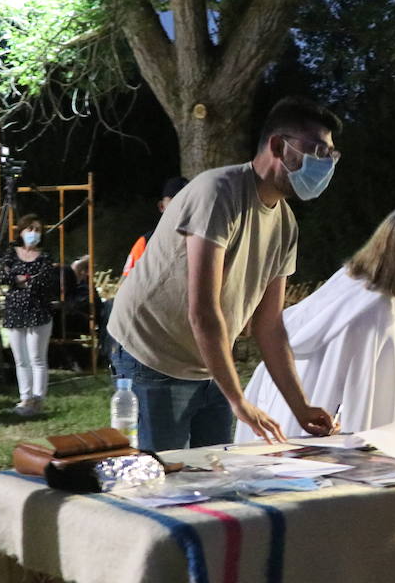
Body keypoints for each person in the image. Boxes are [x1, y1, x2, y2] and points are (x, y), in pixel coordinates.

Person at [108, 95, 341, 452]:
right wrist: (238, 400)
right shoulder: (217, 192)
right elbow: (202, 309)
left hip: (210, 362)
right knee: (161, 481)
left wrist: (301, 406)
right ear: (278, 146)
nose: (324, 164)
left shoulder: (285, 224)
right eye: (318, 152)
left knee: (214, 478)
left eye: (330, 156)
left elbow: (270, 325)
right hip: (152, 353)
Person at [235, 206, 395, 443]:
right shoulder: (376, 312)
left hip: (286, 405)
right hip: (315, 424)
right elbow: (365, 400)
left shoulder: (351, 280)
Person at [3, 214, 58, 417]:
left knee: (37, 357)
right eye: (30, 229)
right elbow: (4, 275)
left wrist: (21, 279)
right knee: (20, 358)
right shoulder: (11, 253)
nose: (33, 233)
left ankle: (38, 398)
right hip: (15, 311)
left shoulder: (45, 257)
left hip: (38, 312)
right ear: (21, 232)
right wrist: (20, 279)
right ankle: (24, 396)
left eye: (37, 230)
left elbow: (43, 281)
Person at [122, 177, 187, 276]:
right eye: (173, 201)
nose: (180, 207)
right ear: (161, 206)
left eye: (186, 202)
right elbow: (126, 284)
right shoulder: (146, 242)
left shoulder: (204, 239)